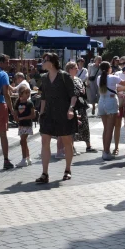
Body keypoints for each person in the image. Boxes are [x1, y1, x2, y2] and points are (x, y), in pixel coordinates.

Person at [35, 53, 78, 184]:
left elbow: (73, 94)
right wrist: (41, 114)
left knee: (66, 142)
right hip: (48, 114)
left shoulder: (64, 76)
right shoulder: (44, 78)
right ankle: (45, 173)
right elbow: (43, 98)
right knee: (45, 142)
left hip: (63, 113)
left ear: (52, 62)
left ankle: (67, 170)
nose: (42, 62)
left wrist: (71, 109)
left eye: (44, 60)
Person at [58, 61, 96, 155]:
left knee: (85, 125)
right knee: (73, 127)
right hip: (73, 106)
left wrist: (83, 90)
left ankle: (88, 145)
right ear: (70, 69)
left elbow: (82, 89)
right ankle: (72, 147)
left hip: (81, 105)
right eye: (75, 68)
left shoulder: (78, 79)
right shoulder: (65, 80)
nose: (77, 69)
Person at [96, 61, 121, 160]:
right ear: (109, 68)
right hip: (111, 102)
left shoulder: (99, 78)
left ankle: (105, 150)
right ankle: (106, 152)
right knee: (110, 129)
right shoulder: (113, 77)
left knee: (106, 128)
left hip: (101, 102)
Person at [15, 86, 35, 168]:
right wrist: (16, 117)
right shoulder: (18, 102)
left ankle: (24, 160)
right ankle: (28, 158)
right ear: (21, 94)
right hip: (21, 125)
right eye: (25, 93)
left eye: (28, 93)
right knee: (23, 141)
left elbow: (33, 115)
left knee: (23, 141)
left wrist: (23, 118)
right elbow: (16, 112)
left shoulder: (29, 103)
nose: (27, 95)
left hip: (27, 124)